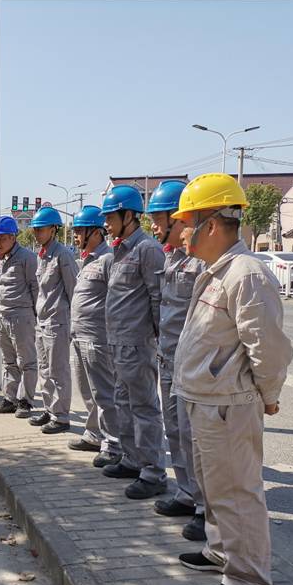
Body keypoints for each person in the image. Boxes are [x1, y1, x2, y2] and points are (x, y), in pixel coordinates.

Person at [172, 173, 292, 585]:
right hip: (206, 400)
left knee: (237, 492)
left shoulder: (247, 275)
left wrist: (270, 393)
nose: (181, 230)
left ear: (212, 225)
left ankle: (248, 583)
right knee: (213, 487)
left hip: (229, 405)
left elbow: (269, 346)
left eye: (188, 221)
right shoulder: (217, 271)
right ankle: (221, 554)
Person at [147, 181, 207, 541]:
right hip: (167, 357)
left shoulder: (202, 262)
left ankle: (204, 507)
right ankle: (186, 493)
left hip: (192, 364)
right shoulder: (169, 255)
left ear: (181, 218)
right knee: (175, 432)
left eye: (158, 218)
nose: (154, 226)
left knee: (194, 437)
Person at [100, 185, 168, 500]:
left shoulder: (147, 249)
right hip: (117, 343)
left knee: (144, 408)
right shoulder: (119, 250)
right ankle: (132, 460)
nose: (107, 223)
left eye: (111, 217)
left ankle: (153, 473)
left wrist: (157, 341)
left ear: (129, 216)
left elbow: (157, 298)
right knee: (122, 404)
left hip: (137, 345)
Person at [67, 206, 122, 467]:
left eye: (79, 231)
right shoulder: (87, 259)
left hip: (98, 338)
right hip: (79, 335)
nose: (76, 236)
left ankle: (113, 443)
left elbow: (116, 301)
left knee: (104, 393)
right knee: (86, 390)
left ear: (96, 233)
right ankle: (94, 434)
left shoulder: (108, 259)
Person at [28, 207, 78, 433]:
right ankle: (50, 410)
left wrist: (72, 324)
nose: (37, 234)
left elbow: (73, 290)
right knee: (45, 369)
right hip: (43, 321)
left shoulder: (63, 255)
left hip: (58, 322)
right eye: (35, 230)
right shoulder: (42, 254)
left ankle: (61, 416)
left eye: (41, 229)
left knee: (58, 371)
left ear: (53, 229)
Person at [0, 216, 39, 419]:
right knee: (9, 361)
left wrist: (37, 316)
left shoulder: (27, 258)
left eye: (2, 238)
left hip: (21, 317)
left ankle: (25, 401)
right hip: (2, 316)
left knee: (26, 361)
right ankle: (9, 399)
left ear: (13, 238)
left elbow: (35, 288)